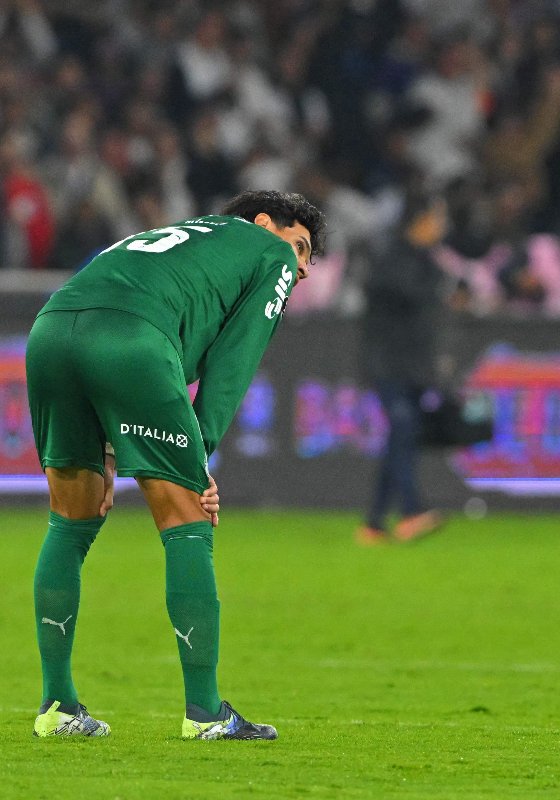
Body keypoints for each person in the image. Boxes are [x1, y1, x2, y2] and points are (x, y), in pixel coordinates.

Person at [25, 189, 327, 739]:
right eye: (302, 247)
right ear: (264, 223)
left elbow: (105, 305)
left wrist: (108, 448)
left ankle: (57, 706)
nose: (302, 268)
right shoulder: (268, 252)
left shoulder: (177, 237)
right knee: (189, 520)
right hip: (133, 339)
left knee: (69, 522)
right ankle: (205, 714)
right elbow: (235, 360)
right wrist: (197, 455)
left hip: (50, 332)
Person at [356, 191, 447, 545]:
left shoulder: (425, 261)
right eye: (436, 218)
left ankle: (373, 524)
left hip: (413, 365)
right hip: (387, 363)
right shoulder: (392, 257)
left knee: (401, 436)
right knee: (404, 427)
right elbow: (400, 291)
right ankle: (412, 511)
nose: (441, 226)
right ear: (419, 221)